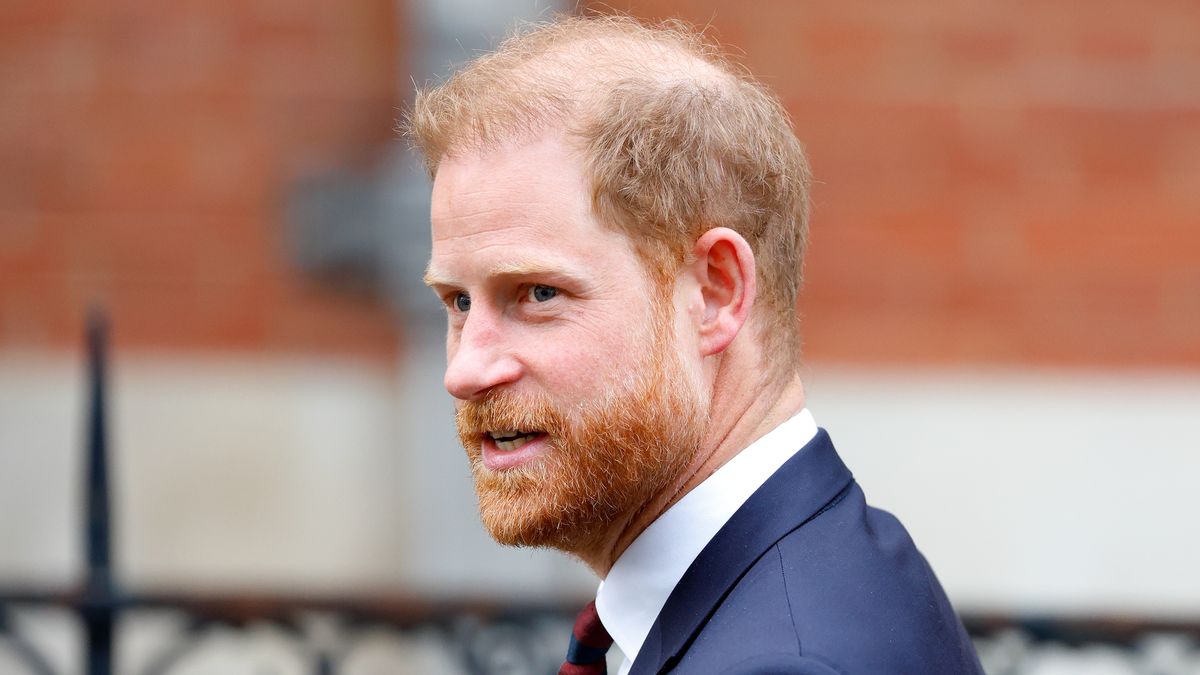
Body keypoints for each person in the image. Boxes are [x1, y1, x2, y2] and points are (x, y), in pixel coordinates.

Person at [405, 14, 983, 675]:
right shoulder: (826, 567)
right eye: (457, 301)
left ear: (713, 292)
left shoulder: (781, 663)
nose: (466, 368)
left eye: (537, 294)